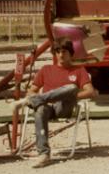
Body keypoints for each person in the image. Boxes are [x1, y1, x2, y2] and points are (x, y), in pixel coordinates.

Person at [16, 38, 98, 168]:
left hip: (64, 107)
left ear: (71, 53)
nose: (60, 54)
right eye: (57, 51)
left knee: (71, 88)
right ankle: (44, 154)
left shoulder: (79, 70)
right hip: (47, 108)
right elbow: (31, 92)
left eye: (64, 51)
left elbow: (90, 92)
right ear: (54, 53)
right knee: (41, 109)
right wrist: (42, 98)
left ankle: (41, 99)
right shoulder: (46, 69)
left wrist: (69, 95)